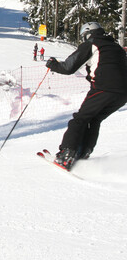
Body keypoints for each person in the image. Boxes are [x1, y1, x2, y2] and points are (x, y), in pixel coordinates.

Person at [46, 21, 127, 170]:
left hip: (104, 89)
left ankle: (67, 155)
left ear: (88, 33)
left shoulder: (92, 44)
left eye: (84, 36)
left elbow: (68, 67)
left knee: (80, 119)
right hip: (123, 94)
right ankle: (83, 153)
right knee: (94, 119)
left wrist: (53, 65)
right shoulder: (117, 47)